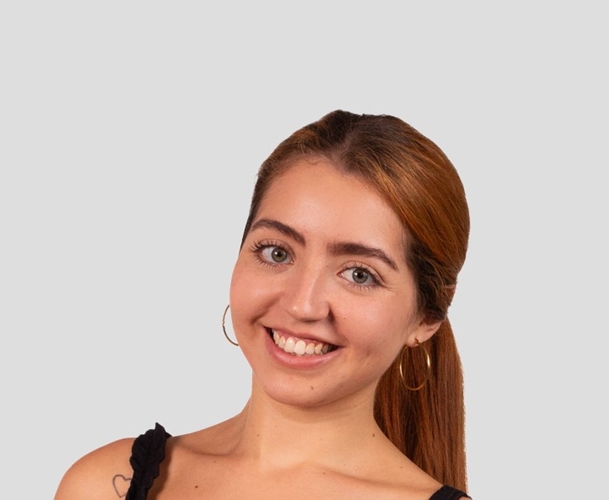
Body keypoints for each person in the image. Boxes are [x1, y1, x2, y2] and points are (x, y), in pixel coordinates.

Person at [54, 110, 472, 500]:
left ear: (427, 317)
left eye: (359, 274)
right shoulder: (102, 486)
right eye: (277, 253)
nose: (302, 305)